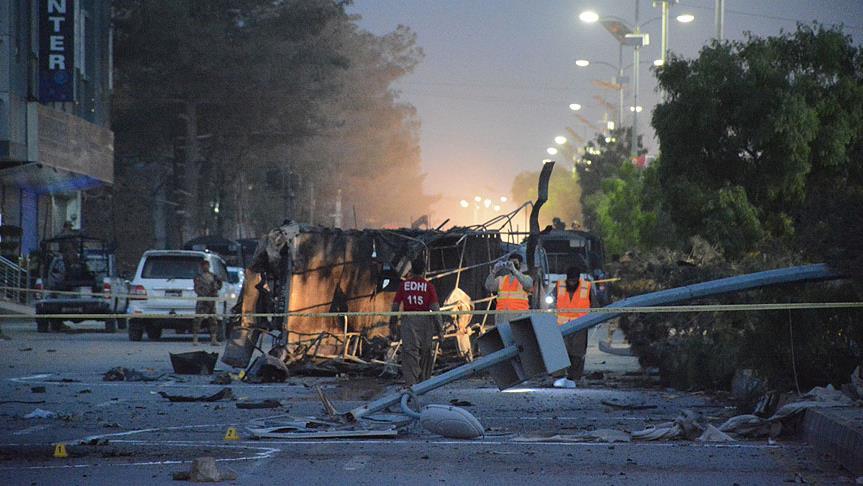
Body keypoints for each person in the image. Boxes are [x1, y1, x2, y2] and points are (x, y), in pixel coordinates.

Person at [389, 258, 444, 386]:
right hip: (425, 320)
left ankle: (412, 383)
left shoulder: (404, 285)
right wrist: (440, 329)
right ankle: (424, 381)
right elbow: (435, 308)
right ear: (424, 270)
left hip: (409, 319)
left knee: (409, 352)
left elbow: (396, 305)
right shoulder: (429, 286)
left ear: (412, 270)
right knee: (426, 351)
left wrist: (392, 323)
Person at [553, 265, 595, 388]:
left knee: (577, 353)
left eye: (574, 280)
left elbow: (595, 304)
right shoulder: (559, 285)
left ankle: (574, 378)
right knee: (560, 351)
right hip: (562, 325)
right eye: (570, 280)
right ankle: (559, 377)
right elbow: (551, 300)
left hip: (580, 326)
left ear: (578, 279)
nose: (572, 282)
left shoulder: (586, 287)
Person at [193, 260, 222, 346]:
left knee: (213, 320)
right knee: (198, 320)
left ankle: (213, 339)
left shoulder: (213, 276)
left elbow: (219, 285)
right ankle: (195, 339)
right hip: (202, 301)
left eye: (207, 265)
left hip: (211, 301)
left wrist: (216, 287)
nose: (205, 267)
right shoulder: (198, 277)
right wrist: (204, 295)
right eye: (204, 266)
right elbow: (197, 288)